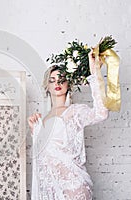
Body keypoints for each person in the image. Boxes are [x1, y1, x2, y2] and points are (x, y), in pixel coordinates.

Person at [28, 50, 108, 199]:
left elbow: (101, 113)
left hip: (74, 186)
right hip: (51, 189)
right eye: (52, 80)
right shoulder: (42, 120)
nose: (57, 83)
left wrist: (94, 74)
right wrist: (34, 130)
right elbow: (43, 158)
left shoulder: (74, 112)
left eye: (61, 79)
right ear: (47, 86)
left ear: (68, 84)